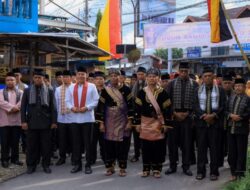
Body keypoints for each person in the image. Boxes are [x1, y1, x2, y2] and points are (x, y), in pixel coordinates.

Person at [135, 68, 172, 178]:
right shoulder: (141, 92)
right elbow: (137, 109)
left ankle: (157, 168)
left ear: (158, 78)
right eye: (150, 76)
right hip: (145, 123)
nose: (152, 78)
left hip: (158, 124)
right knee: (145, 147)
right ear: (146, 78)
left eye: (154, 76)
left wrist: (166, 124)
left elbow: (167, 110)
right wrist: (137, 123)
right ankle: (146, 168)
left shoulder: (163, 93)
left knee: (158, 147)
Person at [96, 69, 133, 177]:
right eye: (111, 75)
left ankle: (122, 168)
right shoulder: (105, 90)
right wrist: (101, 123)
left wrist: (130, 122)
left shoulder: (126, 90)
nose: (114, 77)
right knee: (109, 145)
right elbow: (101, 107)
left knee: (123, 146)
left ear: (120, 77)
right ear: (109, 77)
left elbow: (131, 107)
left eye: (116, 75)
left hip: (123, 121)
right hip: (109, 122)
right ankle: (110, 167)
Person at [21, 69, 57, 174]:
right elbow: (23, 107)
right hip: (31, 123)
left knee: (46, 146)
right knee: (31, 146)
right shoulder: (27, 91)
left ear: (43, 79)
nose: (37, 79)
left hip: (46, 123)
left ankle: (46, 165)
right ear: (33, 78)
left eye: (40, 78)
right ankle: (31, 165)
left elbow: (53, 108)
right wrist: (23, 121)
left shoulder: (49, 90)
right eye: (36, 77)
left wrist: (54, 122)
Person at [166, 62, 198, 176]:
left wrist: (188, 114)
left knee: (187, 144)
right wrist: (174, 113)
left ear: (189, 71)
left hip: (187, 118)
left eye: (186, 71)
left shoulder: (194, 84)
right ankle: (172, 166)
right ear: (179, 71)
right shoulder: (171, 84)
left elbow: (196, 102)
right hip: (174, 117)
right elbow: (167, 102)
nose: (184, 73)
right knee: (172, 144)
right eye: (182, 71)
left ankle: (186, 167)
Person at [66, 67, 99, 174]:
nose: (81, 76)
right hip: (74, 119)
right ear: (76, 76)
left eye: (83, 74)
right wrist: (71, 107)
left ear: (86, 76)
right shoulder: (71, 87)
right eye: (79, 74)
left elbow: (96, 100)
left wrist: (87, 107)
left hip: (87, 119)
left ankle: (88, 165)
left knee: (88, 143)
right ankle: (77, 164)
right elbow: (67, 100)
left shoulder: (92, 86)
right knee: (76, 143)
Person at [194, 66, 225, 181]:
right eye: (205, 76)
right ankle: (200, 172)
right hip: (201, 125)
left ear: (213, 77)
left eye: (209, 76)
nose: (207, 78)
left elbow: (222, 106)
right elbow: (195, 105)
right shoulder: (197, 90)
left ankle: (214, 172)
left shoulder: (220, 90)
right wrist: (204, 116)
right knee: (201, 150)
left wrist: (213, 115)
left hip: (215, 125)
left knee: (214, 149)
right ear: (202, 78)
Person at [226, 78, 250, 181]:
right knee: (232, 153)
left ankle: (240, 174)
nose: (238, 88)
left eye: (240, 86)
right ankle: (233, 172)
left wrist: (240, 117)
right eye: (236, 86)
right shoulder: (231, 97)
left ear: (244, 87)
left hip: (242, 130)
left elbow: (249, 113)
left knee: (241, 152)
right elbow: (225, 110)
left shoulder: (248, 99)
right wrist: (230, 115)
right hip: (231, 129)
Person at [0, 72, 23, 168]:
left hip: (17, 121)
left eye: (12, 80)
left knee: (15, 141)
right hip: (4, 121)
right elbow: (1, 103)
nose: (10, 82)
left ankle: (15, 159)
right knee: (4, 142)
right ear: (5, 81)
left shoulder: (21, 92)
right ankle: (5, 160)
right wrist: (12, 108)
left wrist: (12, 109)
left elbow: (22, 103)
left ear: (16, 81)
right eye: (8, 80)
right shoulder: (1, 92)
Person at [55, 70, 74, 166]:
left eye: (67, 77)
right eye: (64, 77)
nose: (65, 79)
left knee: (74, 139)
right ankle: (62, 157)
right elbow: (56, 104)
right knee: (61, 139)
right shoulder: (58, 89)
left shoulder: (75, 88)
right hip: (61, 118)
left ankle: (74, 158)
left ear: (71, 78)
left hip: (73, 118)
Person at [130, 67, 147, 162]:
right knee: (136, 136)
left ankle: (146, 155)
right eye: (138, 74)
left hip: (146, 115)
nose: (140, 76)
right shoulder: (134, 86)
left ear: (145, 75)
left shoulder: (149, 85)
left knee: (145, 136)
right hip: (135, 114)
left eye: (142, 74)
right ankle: (136, 155)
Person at [218, 74, 234, 167]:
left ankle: (231, 163)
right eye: (225, 83)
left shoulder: (235, 94)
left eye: (229, 83)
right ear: (222, 83)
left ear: (232, 83)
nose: (227, 85)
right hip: (219, 124)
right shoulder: (217, 93)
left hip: (231, 124)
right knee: (219, 144)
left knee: (231, 145)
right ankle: (219, 162)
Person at [91, 71, 106, 164]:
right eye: (97, 79)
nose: (99, 81)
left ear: (104, 80)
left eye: (101, 79)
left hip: (104, 120)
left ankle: (105, 157)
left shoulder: (107, 91)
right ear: (94, 81)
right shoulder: (90, 91)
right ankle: (92, 159)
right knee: (92, 141)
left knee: (103, 141)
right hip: (92, 119)